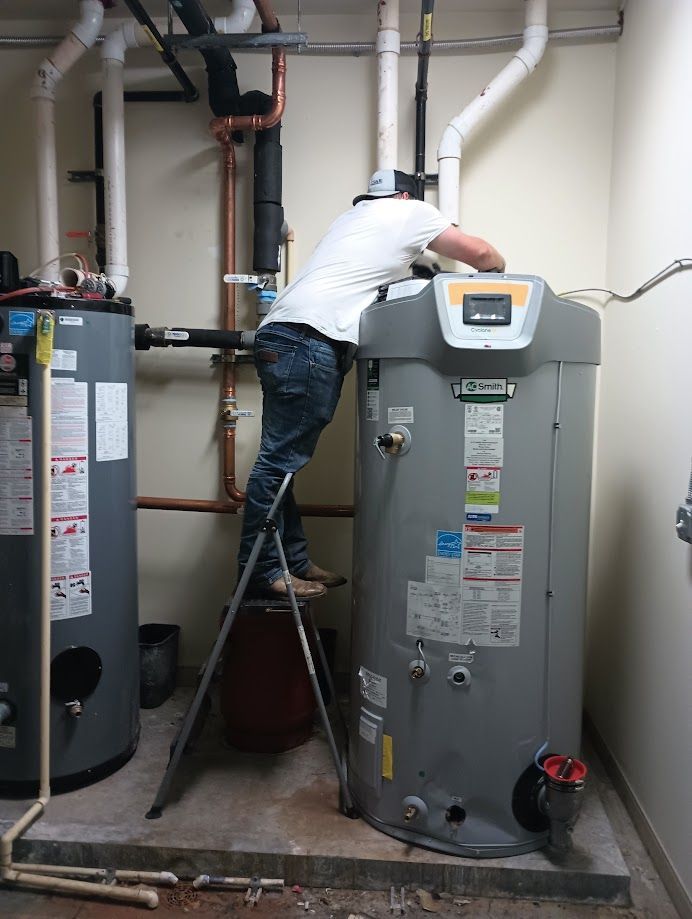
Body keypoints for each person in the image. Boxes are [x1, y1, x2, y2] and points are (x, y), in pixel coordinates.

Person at [238, 169, 505, 599]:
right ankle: (263, 569)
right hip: (309, 339)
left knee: (284, 458)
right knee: (277, 462)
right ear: (405, 195)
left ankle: (295, 558)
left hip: (283, 333)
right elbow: (480, 252)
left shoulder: (350, 220)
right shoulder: (411, 211)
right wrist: (498, 274)